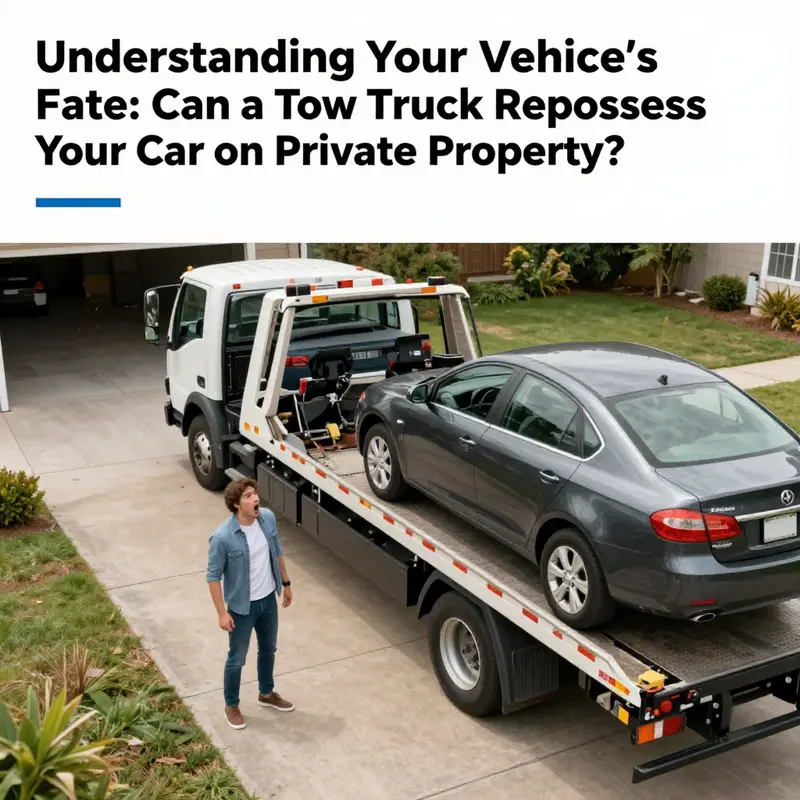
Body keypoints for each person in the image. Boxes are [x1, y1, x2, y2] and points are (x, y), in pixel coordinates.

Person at [206, 477, 294, 729]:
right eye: (247, 496)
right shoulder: (222, 538)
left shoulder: (266, 518)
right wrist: (222, 613)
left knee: (269, 650)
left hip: (268, 599)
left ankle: (266, 693)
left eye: (255, 493)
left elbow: (277, 550)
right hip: (242, 608)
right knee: (237, 658)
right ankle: (231, 704)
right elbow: (213, 577)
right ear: (236, 505)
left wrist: (286, 584)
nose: (255, 499)